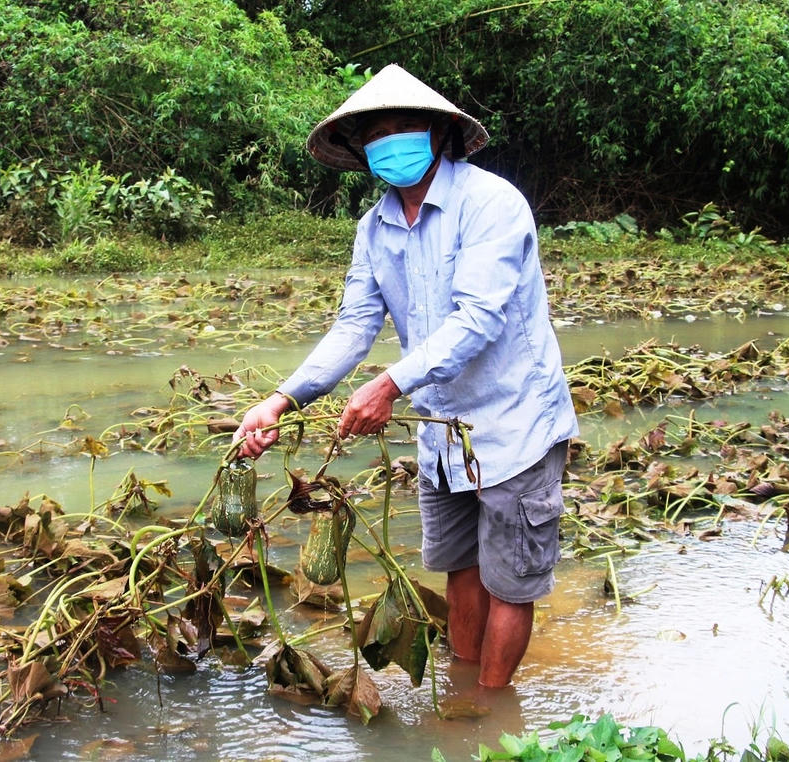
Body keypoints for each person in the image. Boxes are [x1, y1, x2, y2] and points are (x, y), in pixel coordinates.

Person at [233, 63, 578, 688]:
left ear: (440, 133)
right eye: (378, 131)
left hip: (512, 421)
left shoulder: (491, 204)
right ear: (362, 149)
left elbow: (478, 319)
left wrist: (388, 385)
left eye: (406, 126)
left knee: (510, 583)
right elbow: (353, 327)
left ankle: (489, 713)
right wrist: (279, 401)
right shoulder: (375, 229)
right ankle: (461, 696)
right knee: (461, 570)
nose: (392, 140)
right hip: (442, 434)